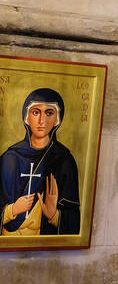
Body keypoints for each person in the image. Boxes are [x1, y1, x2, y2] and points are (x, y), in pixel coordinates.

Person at [0, 87, 81, 237]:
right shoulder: (9, 158)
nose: (41, 120)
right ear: (26, 117)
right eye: (35, 112)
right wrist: (12, 210)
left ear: (57, 118)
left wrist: (54, 215)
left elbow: (74, 221)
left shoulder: (64, 160)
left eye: (49, 113)